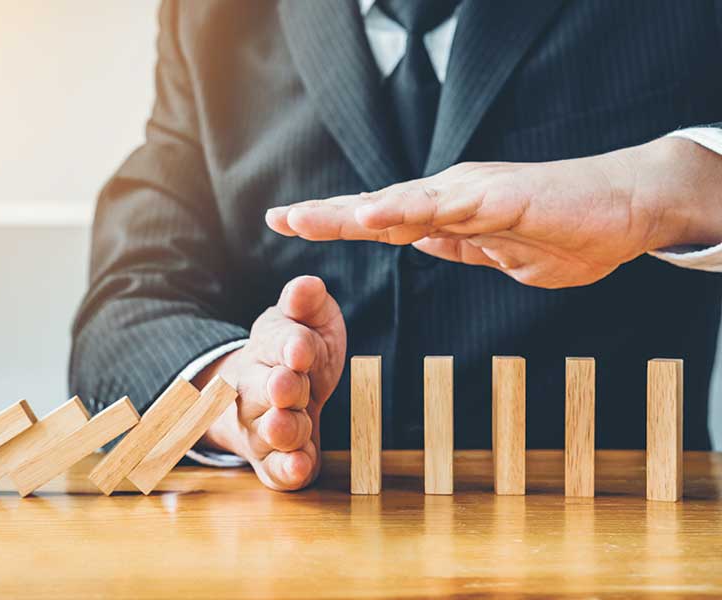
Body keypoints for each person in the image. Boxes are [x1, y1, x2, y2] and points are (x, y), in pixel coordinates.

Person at [70, 0, 722, 491]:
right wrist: (236, 388)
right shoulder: (214, 17)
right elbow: (128, 302)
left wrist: (676, 187)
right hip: (296, 547)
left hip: (620, 535)